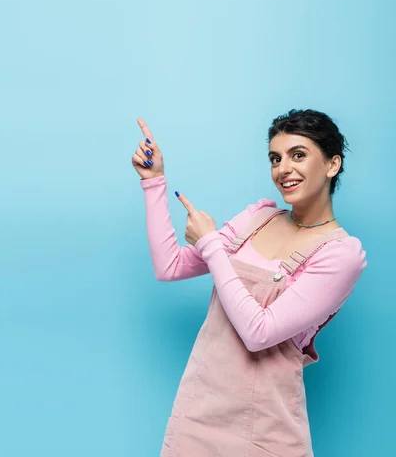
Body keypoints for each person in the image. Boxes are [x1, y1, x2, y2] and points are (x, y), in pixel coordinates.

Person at [132, 109, 367, 457]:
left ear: (332, 165)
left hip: (266, 430)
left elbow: (260, 332)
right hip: (197, 416)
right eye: (275, 158)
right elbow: (170, 267)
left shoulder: (340, 255)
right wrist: (154, 182)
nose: (283, 168)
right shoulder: (257, 218)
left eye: (298, 155)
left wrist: (211, 245)